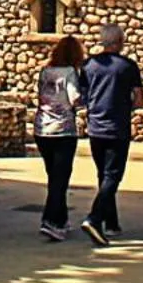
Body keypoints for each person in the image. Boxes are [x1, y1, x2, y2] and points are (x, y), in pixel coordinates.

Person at [79, 22, 143, 246]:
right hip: (117, 127)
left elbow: (82, 94)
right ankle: (95, 219)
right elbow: (139, 98)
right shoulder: (128, 66)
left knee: (103, 174)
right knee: (113, 175)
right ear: (120, 42)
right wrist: (126, 106)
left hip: (95, 127)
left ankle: (112, 223)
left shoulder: (88, 65)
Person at [33, 33, 85, 241]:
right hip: (63, 130)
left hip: (42, 129)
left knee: (54, 177)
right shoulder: (70, 73)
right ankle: (51, 221)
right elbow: (75, 99)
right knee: (60, 179)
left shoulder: (45, 72)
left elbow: (40, 96)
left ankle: (61, 220)